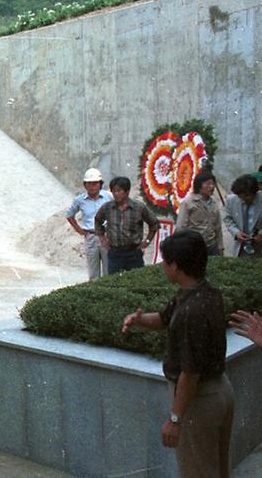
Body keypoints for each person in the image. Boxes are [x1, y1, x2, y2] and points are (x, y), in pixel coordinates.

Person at [122, 231, 233, 478]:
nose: (163, 265)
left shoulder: (192, 311)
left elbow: (190, 373)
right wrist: (139, 319)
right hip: (219, 391)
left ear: (176, 266)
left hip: (199, 400)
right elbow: (163, 318)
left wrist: (175, 418)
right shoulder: (203, 292)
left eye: (165, 260)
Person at [94, 176, 160, 274]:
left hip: (133, 253)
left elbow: (154, 224)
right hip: (114, 253)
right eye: (113, 191)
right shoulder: (107, 208)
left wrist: (147, 241)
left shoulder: (139, 207)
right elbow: (98, 220)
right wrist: (103, 239)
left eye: (119, 191)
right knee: (114, 282)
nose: (116, 194)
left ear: (127, 191)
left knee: (137, 280)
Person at [66, 168, 114, 280]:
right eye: (89, 183)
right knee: (93, 272)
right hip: (91, 237)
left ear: (100, 184)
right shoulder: (80, 200)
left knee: (109, 270)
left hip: (106, 236)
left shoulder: (108, 196)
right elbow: (69, 215)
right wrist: (79, 230)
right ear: (85, 185)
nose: (92, 186)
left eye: (95, 183)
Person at [176, 172, 224, 256]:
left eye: (213, 184)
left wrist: (220, 246)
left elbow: (218, 227)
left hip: (211, 246)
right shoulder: (188, 203)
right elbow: (181, 227)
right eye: (208, 184)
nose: (212, 187)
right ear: (199, 185)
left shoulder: (214, 203)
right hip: (194, 247)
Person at [223, 174, 262, 257]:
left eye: (247, 196)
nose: (244, 199)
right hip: (240, 248)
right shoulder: (231, 200)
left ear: (255, 192)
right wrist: (236, 232)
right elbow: (228, 219)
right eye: (241, 197)